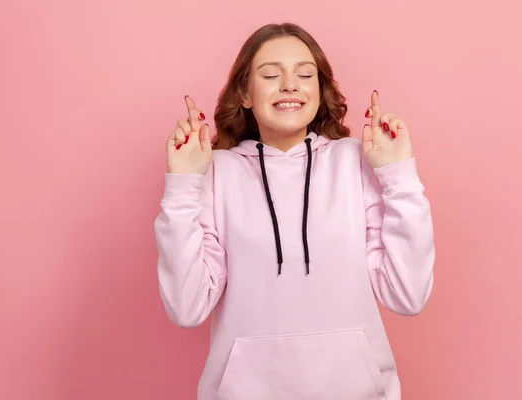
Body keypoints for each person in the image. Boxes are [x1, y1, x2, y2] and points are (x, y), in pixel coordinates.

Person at [154, 22, 435, 400]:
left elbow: (408, 295)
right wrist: (184, 186)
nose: (290, 85)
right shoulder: (215, 172)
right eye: (271, 74)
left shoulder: (357, 161)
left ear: (320, 90)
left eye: (305, 74)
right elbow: (186, 308)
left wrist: (398, 176)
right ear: (246, 94)